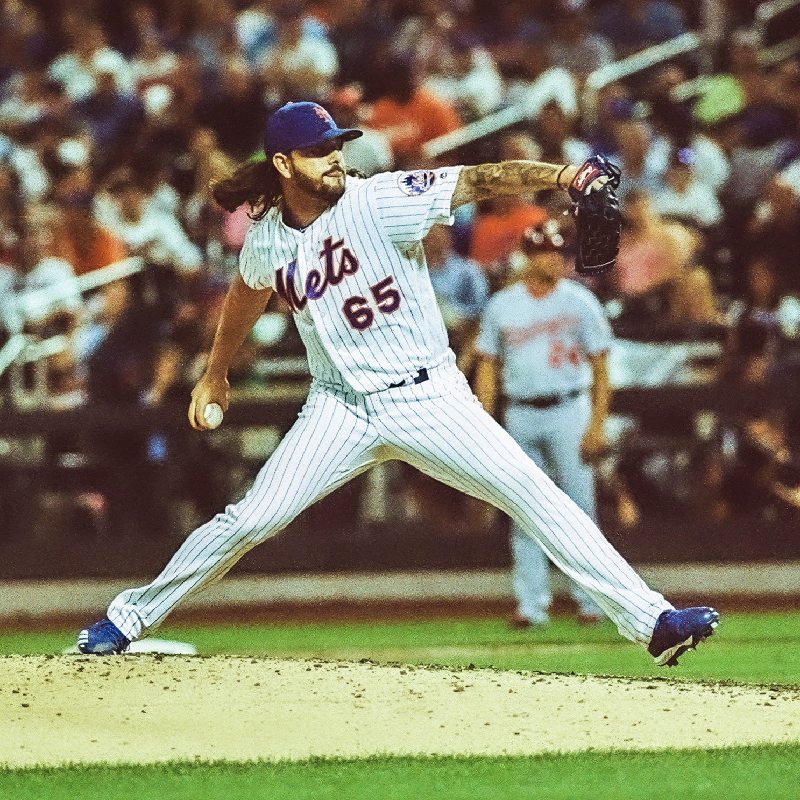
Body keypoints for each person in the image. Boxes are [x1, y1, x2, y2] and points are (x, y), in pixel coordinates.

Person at [77, 100, 719, 667]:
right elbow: (248, 292)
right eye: (318, 151)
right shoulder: (269, 237)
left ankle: (653, 621)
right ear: (282, 164)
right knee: (250, 520)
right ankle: (126, 619)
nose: (334, 159)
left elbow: (478, 179)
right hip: (338, 408)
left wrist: (563, 176)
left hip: (429, 396)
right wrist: (215, 374)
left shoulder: (379, 198)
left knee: (533, 493)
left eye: (335, 147)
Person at [475, 221, 608, 627]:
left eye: (560, 252)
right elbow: (487, 365)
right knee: (523, 508)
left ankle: (591, 602)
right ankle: (531, 605)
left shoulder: (580, 301)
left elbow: (602, 366)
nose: (557, 259)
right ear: (529, 256)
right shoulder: (503, 304)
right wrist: (484, 423)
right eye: (548, 251)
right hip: (520, 410)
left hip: (570, 408)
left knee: (581, 510)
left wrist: (597, 424)